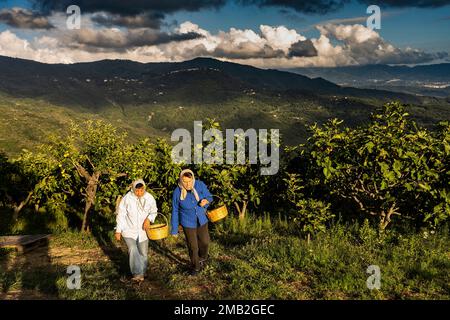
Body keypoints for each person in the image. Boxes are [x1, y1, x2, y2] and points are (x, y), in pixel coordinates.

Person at [171, 169, 213, 275]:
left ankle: (202, 258)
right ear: (181, 180)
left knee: (205, 242)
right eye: (185, 181)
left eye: (189, 181)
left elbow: (210, 197)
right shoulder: (177, 192)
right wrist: (174, 229)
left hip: (201, 219)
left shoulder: (199, 185)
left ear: (193, 179)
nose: (188, 184)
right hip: (187, 222)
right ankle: (196, 267)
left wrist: (206, 202)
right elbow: (175, 210)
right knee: (193, 246)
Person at [115, 179, 157, 282]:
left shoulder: (149, 198)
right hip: (129, 230)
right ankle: (137, 273)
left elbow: (154, 211)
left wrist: (149, 219)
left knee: (143, 253)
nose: (139, 193)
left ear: (144, 189)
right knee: (133, 249)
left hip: (143, 231)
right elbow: (121, 215)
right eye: (137, 191)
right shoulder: (127, 198)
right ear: (133, 189)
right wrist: (118, 230)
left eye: (141, 190)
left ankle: (142, 272)